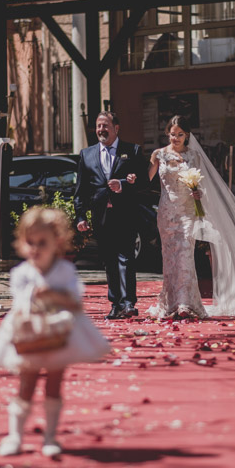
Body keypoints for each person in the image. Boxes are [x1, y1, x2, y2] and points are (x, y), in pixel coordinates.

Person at [0, 207, 110, 457]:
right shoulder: (21, 273)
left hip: (59, 332)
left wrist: (53, 294)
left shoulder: (65, 271)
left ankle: (50, 437)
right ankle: (15, 436)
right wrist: (34, 294)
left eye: (42, 242)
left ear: (58, 242)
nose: (36, 248)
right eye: (30, 242)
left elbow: (76, 301)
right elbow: (20, 304)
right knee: (26, 383)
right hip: (30, 333)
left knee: (54, 383)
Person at [143, 115, 235, 318]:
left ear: (187, 135)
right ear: (167, 133)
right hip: (166, 213)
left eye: (180, 135)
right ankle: (170, 301)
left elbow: (201, 184)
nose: (175, 138)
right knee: (169, 258)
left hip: (187, 211)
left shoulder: (194, 156)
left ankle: (185, 303)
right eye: (172, 134)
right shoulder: (159, 155)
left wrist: (198, 193)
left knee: (185, 254)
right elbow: (147, 178)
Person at [73, 111, 147, 319]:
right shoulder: (86, 155)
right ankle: (115, 304)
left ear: (116, 128)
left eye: (105, 126)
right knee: (109, 261)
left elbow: (144, 181)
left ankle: (129, 303)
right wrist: (80, 216)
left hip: (126, 214)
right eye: (98, 126)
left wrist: (124, 184)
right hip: (100, 215)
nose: (101, 130)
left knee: (127, 258)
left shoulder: (132, 151)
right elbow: (81, 190)